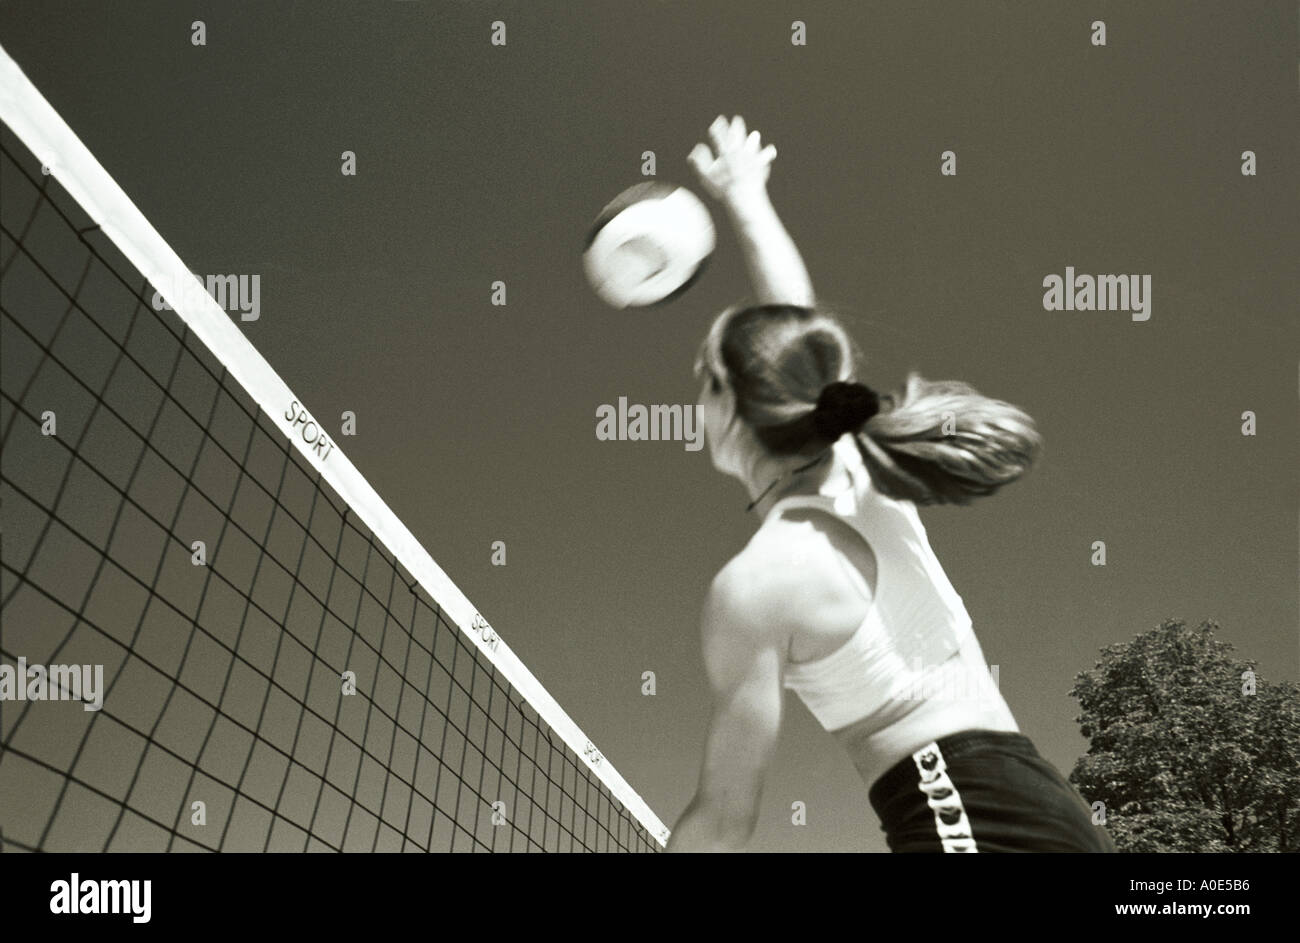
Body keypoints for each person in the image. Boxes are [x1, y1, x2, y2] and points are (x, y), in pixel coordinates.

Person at [666, 116, 1115, 853]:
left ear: (726, 409)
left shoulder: (753, 586)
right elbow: (802, 333)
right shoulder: (863, 473)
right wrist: (745, 197)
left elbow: (723, 819)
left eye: (700, 383)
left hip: (970, 820)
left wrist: (745, 198)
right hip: (1038, 806)